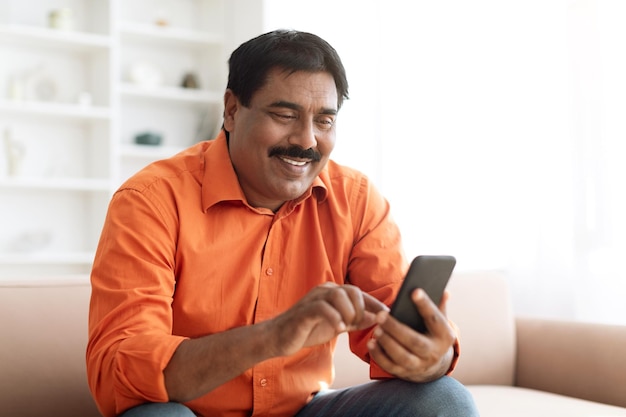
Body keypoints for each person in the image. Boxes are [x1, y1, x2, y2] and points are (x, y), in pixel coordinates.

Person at [86, 29, 479, 417]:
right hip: (190, 413)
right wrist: (272, 337)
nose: (306, 140)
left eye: (324, 121)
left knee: (444, 398)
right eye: (285, 115)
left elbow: (392, 338)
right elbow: (119, 370)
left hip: (304, 410)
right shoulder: (151, 200)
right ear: (232, 110)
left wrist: (432, 356)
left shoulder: (356, 199)